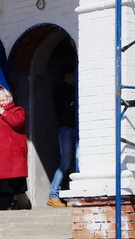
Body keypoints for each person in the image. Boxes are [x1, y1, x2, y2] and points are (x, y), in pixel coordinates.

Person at [48, 71, 78, 208]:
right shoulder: (60, 90)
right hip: (66, 128)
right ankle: (53, 195)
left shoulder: (72, 89)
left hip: (74, 128)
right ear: (68, 75)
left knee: (76, 162)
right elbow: (64, 108)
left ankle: (75, 193)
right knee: (65, 163)